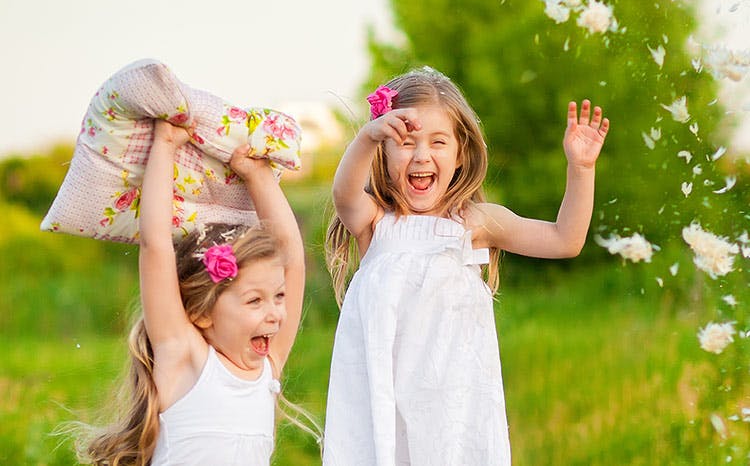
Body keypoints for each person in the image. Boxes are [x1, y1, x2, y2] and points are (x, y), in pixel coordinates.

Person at [323, 67, 610, 465]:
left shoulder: (474, 223)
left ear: (460, 154)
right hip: (384, 406)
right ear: (384, 152)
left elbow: (565, 240)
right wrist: (367, 136)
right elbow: (344, 193)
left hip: (454, 413)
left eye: (438, 142)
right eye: (405, 142)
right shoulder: (376, 222)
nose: (422, 155)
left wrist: (581, 170)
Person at [78, 120, 306, 465]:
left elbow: (293, 261)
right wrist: (166, 145)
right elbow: (156, 247)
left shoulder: (268, 366)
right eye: (254, 300)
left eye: (278, 297)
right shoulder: (185, 358)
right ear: (201, 312)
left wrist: (257, 175)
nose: (275, 313)